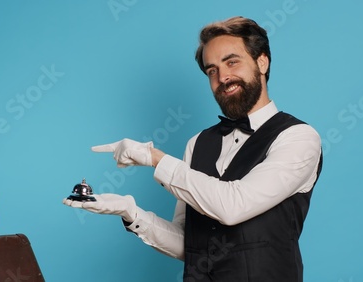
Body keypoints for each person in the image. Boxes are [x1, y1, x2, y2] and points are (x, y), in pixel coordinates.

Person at [64, 16, 323, 282]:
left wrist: (156, 159)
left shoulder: (298, 138)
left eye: (232, 62)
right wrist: (131, 212)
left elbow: (233, 206)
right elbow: (190, 245)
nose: (223, 77)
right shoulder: (198, 143)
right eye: (212, 70)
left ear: (262, 62)